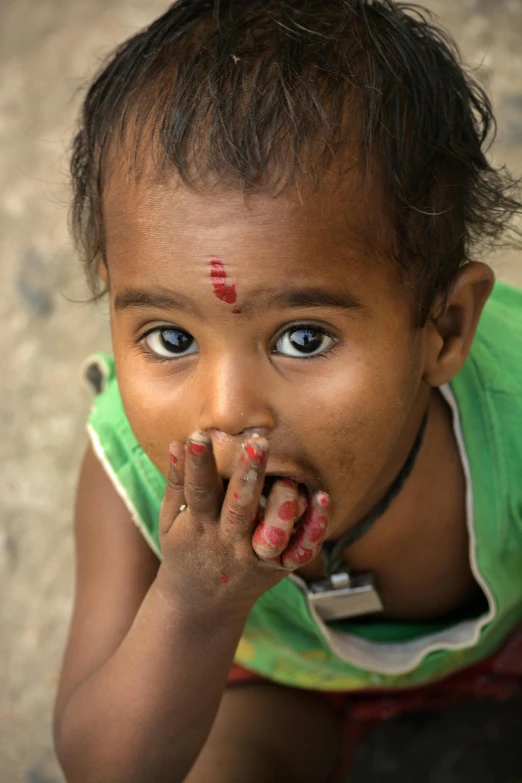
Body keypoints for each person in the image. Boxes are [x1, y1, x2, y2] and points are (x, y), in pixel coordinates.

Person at [52, 1, 522, 781]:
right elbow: (104, 767)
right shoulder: (127, 480)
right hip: (272, 681)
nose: (228, 409)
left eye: (303, 337)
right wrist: (195, 608)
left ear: (442, 329)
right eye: (171, 338)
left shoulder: (512, 409)